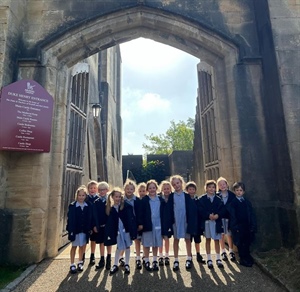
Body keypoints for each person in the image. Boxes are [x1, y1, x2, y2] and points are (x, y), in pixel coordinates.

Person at [104, 188, 137, 275]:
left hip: (126, 230)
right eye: (116, 197)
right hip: (118, 232)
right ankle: (115, 264)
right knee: (119, 247)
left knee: (127, 246)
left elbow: (130, 219)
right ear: (112, 197)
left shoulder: (125, 207)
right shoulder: (110, 209)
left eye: (119, 197)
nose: (118, 198)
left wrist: (132, 230)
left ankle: (127, 264)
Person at [169, 175, 198, 271]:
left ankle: (189, 258)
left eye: (178, 183)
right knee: (176, 240)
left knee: (187, 239)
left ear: (181, 183)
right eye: (174, 184)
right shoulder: (171, 196)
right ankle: (176, 259)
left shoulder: (187, 196)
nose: (176, 185)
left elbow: (192, 210)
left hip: (185, 220)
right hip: (176, 221)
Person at [199, 180, 226, 269]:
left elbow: (223, 209)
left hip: (216, 222)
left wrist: (218, 215)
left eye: (213, 187)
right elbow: (200, 210)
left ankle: (218, 258)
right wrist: (208, 215)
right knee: (207, 240)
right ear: (206, 188)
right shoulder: (202, 199)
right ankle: (209, 258)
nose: (211, 189)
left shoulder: (218, 199)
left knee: (216, 240)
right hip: (207, 222)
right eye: (209, 187)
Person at [229, 182, 257, 267]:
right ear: (234, 191)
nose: (239, 192)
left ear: (243, 191)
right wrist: (235, 227)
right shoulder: (233, 203)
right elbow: (232, 216)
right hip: (239, 226)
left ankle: (247, 257)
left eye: (240, 190)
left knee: (247, 242)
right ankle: (242, 259)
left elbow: (251, 214)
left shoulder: (247, 202)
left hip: (247, 225)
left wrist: (252, 225)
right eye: (237, 190)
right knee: (240, 243)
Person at [66, 185, 93, 274]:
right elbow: (70, 219)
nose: (81, 197)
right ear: (76, 196)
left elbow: (89, 218)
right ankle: (72, 264)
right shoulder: (73, 206)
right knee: (74, 246)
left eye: (83, 195)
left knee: (82, 247)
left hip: (84, 230)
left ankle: (80, 262)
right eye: (79, 195)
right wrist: (70, 230)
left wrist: (89, 228)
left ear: (85, 196)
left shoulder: (87, 206)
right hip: (75, 230)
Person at [140, 179, 164, 272]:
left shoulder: (160, 200)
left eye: (154, 187)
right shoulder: (144, 200)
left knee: (156, 243)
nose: (152, 189)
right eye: (150, 188)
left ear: (156, 188)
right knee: (147, 243)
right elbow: (141, 213)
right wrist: (141, 223)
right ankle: (146, 260)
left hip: (158, 224)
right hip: (147, 224)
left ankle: (154, 260)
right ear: (147, 189)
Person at [122, 179, 143, 270]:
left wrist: (140, 223)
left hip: (135, 223)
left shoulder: (137, 200)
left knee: (137, 241)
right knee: (124, 242)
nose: (129, 191)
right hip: (125, 224)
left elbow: (140, 213)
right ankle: (121, 258)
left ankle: (138, 258)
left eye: (131, 189)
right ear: (125, 190)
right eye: (127, 189)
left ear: (134, 190)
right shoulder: (122, 200)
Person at [92, 181, 112, 270]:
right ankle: (102, 259)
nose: (102, 192)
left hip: (108, 225)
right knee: (101, 243)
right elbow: (94, 215)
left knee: (109, 242)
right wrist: (94, 225)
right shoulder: (96, 202)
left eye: (103, 190)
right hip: (100, 225)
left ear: (107, 190)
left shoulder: (110, 201)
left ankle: (109, 259)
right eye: (100, 190)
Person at [216, 177, 236, 262]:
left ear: (227, 184)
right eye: (220, 185)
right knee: (221, 235)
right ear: (218, 186)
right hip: (220, 218)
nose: (222, 186)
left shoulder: (232, 195)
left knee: (229, 234)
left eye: (224, 184)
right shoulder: (217, 195)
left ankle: (231, 251)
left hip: (229, 217)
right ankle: (223, 251)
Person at [185, 181, 205, 264]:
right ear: (187, 190)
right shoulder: (185, 200)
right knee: (188, 240)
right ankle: (189, 255)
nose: (191, 191)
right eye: (190, 189)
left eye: (193, 189)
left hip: (197, 223)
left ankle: (198, 254)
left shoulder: (198, 200)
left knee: (197, 240)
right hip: (189, 223)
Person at [158, 180, 174, 266]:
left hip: (168, 221)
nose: (166, 190)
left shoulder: (172, 198)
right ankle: (160, 256)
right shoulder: (159, 198)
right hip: (160, 221)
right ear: (162, 189)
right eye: (165, 189)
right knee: (160, 239)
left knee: (167, 238)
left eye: (168, 188)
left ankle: (167, 255)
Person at [85, 180, 99, 266]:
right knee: (84, 241)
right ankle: (82, 257)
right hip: (86, 222)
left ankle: (92, 255)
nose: (92, 189)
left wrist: (95, 225)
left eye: (94, 188)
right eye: (90, 188)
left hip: (94, 223)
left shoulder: (98, 199)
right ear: (88, 189)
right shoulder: (86, 198)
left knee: (93, 240)